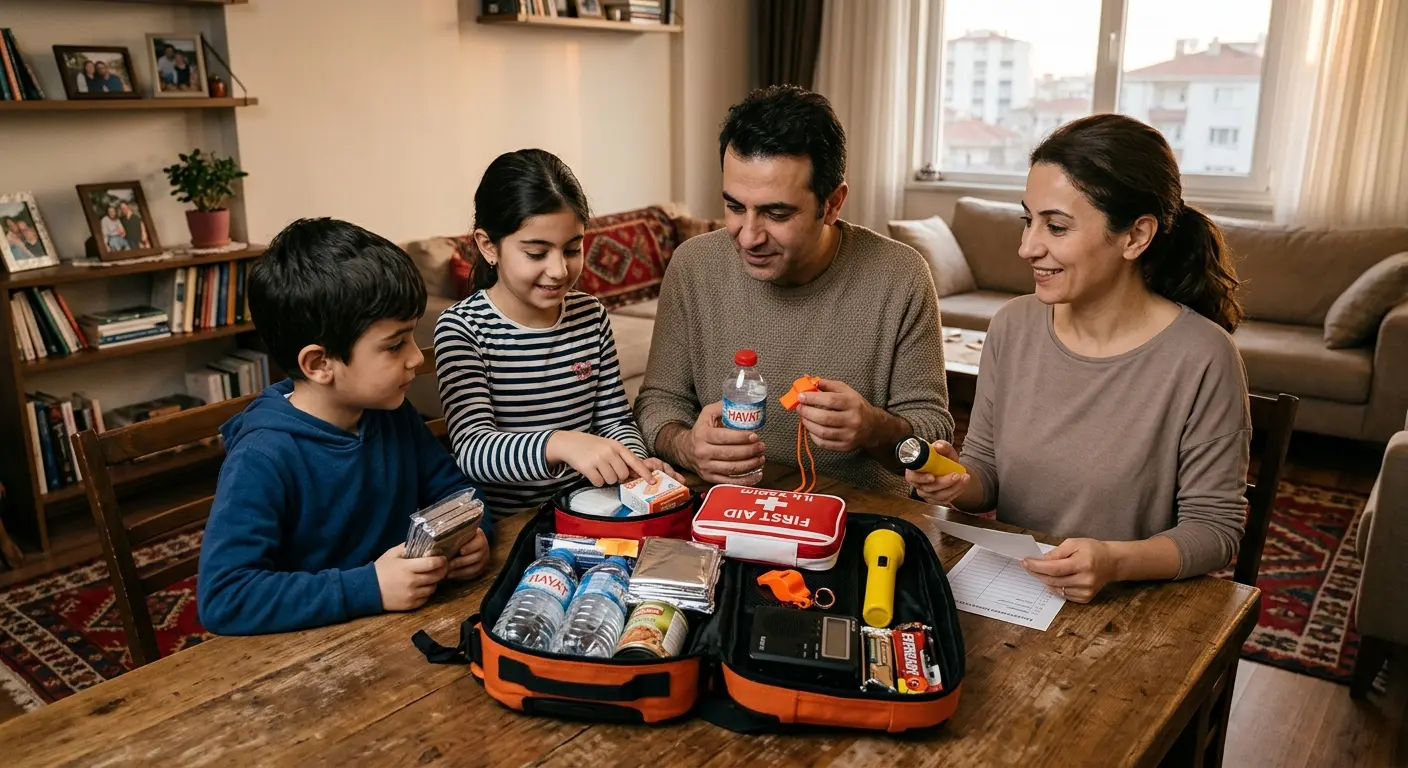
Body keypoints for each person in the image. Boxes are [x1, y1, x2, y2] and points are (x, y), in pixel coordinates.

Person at [908, 114, 1250, 603]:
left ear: (1135, 237)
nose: (1028, 246)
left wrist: (1114, 561)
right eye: (1029, 220)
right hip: (1014, 592)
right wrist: (952, 480)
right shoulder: (1012, 325)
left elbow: (1215, 532)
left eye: (1057, 226)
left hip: (1128, 608)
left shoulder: (1203, 356)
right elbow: (988, 477)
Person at [633, 85, 953, 498]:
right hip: (727, 509)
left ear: (833, 204)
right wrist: (687, 447)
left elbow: (933, 428)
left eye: (776, 213)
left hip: (856, 518)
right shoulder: (693, 265)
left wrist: (873, 428)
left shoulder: (901, 275)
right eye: (734, 207)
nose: (748, 236)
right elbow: (658, 401)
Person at [197, 217, 493, 635]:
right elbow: (225, 597)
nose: (415, 358)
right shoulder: (262, 457)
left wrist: (474, 534)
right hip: (311, 658)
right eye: (394, 345)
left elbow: (457, 493)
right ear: (320, 365)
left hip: (404, 631)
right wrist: (367, 587)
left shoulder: (393, 412)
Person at [435, 149, 678, 518]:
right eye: (536, 253)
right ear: (488, 247)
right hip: (510, 526)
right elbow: (473, 450)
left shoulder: (590, 315)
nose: (559, 270)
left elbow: (614, 419)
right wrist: (559, 443)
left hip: (591, 507)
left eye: (572, 249)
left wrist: (636, 465)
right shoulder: (463, 329)